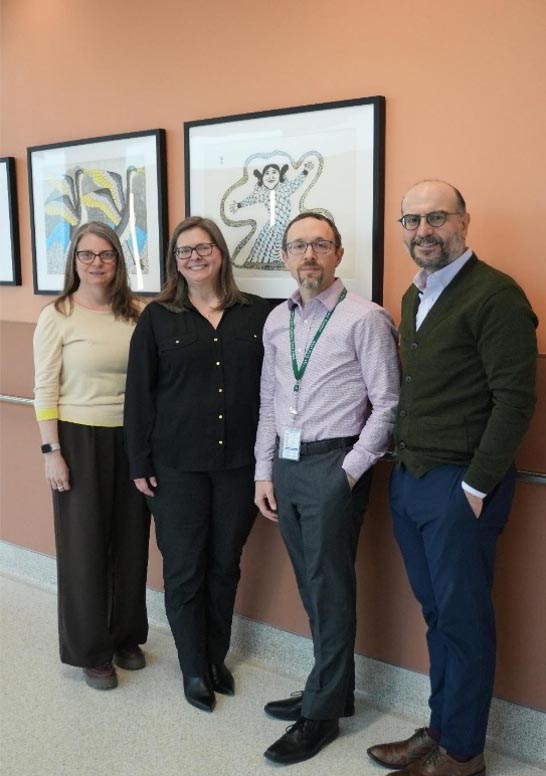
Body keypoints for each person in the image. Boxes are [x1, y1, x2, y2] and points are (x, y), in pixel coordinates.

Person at [367, 180, 538, 776]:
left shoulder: (496, 296)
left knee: (463, 620)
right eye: (411, 221)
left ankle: (464, 753)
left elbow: (515, 401)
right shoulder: (414, 297)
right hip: (412, 477)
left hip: (461, 484)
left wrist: (474, 487)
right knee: (437, 614)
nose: (423, 231)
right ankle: (441, 729)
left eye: (436, 218)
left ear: (465, 221)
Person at [254, 212, 400, 765]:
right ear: (285, 256)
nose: (308, 255)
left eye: (319, 245)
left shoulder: (365, 318)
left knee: (329, 585)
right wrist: (262, 471)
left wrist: (349, 471)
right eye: (297, 246)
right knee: (311, 584)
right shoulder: (276, 321)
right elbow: (269, 400)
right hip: (287, 467)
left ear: (338, 254)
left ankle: (323, 714)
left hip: (335, 463)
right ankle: (326, 686)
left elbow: (387, 404)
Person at [124, 216, 271, 712]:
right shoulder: (158, 318)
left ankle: (215, 656)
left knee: (224, 565)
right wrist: (138, 460)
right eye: (184, 251)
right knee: (185, 568)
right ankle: (192, 665)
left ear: (220, 252)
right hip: (175, 467)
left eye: (203, 247)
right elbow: (138, 396)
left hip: (238, 465)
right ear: (175, 262)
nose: (194, 257)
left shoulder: (256, 314)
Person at [33, 221, 151, 691]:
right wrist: (51, 451)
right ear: (74, 260)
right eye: (87, 254)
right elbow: (45, 387)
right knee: (83, 549)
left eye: (106, 254)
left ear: (118, 261)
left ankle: (124, 635)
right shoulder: (57, 315)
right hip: (77, 440)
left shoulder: (138, 313)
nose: (97, 263)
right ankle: (90, 650)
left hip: (132, 439)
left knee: (130, 542)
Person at [229, 161, 313, 268]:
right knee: (266, 242)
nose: (271, 176)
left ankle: (284, 262)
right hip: (272, 225)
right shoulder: (262, 193)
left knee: (284, 243)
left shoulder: (285, 189)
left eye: (274, 173)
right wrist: (239, 205)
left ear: (280, 176)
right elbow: (251, 199)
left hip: (284, 224)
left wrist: (305, 171)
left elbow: (296, 182)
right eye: (267, 174)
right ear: (262, 178)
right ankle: (263, 261)